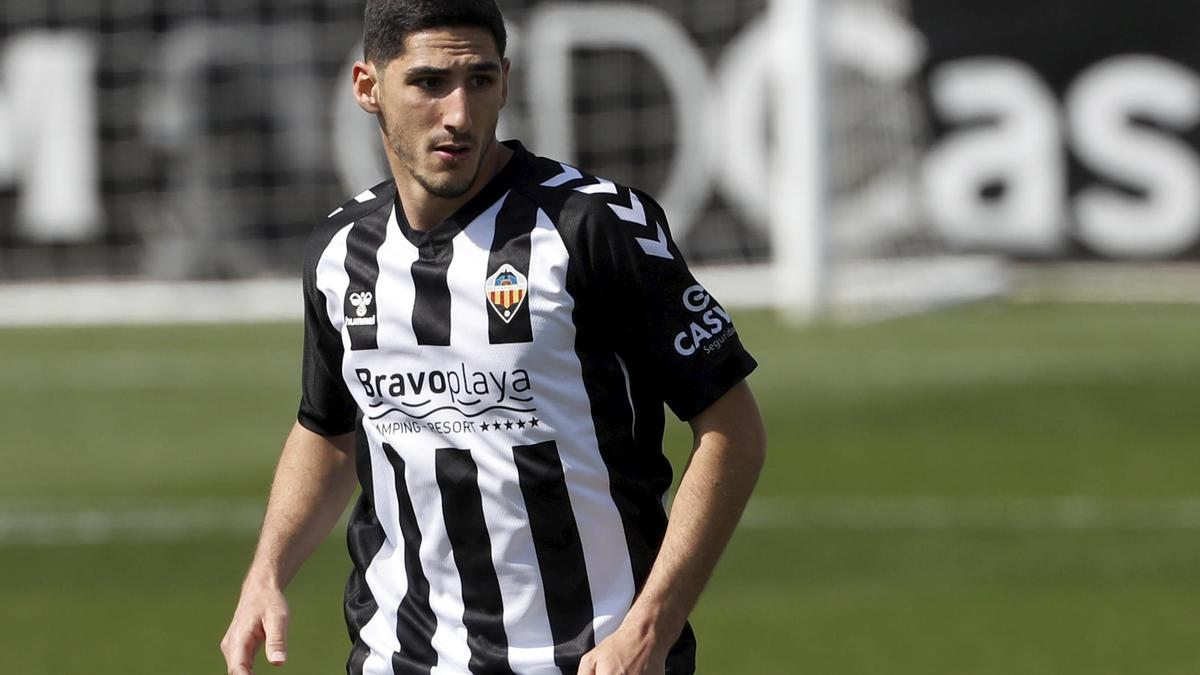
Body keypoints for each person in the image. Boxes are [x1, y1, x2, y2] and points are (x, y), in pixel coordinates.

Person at [219, 1, 766, 673]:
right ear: (369, 88)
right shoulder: (342, 252)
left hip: (595, 658)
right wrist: (266, 572)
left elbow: (731, 426)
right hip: (401, 654)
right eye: (427, 83)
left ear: (505, 81)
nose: (458, 113)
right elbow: (329, 431)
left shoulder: (591, 226)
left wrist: (652, 625)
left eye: (479, 81)